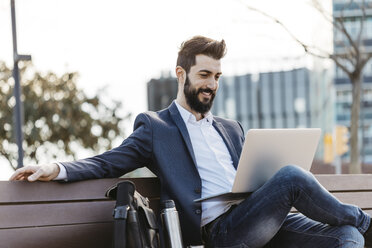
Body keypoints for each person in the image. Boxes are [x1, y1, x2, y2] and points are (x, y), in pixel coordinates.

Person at [10, 36, 372, 248]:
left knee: (346, 234)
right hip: (224, 232)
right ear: (181, 74)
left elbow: (253, 178)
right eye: (203, 74)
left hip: (262, 219)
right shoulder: (156, 127)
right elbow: (108, 161)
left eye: (216, 76)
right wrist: (54, 168)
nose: (211, 84)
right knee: (293, 178)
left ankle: (360, 225)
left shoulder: (231, 128)